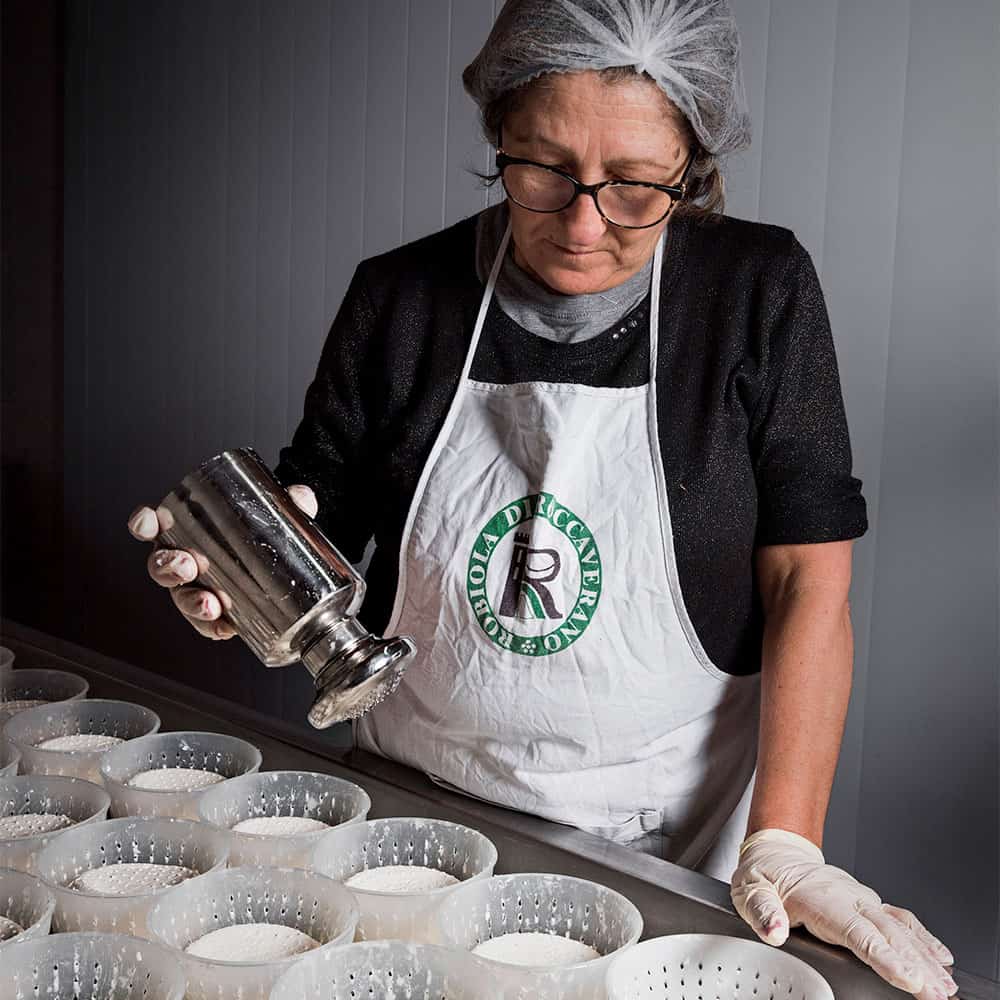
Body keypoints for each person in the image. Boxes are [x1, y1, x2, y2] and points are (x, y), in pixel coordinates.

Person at [128, 1, 955, 995]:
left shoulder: (755, 291)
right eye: (542, 170)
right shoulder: (400, 297)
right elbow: (324, 525)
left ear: (691, 164)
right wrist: (243, 576)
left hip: (660, 840)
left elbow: (807, 584)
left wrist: (786, 840)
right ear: (498, 136)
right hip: (412, 816)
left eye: (637, 186)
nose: (582, 222)